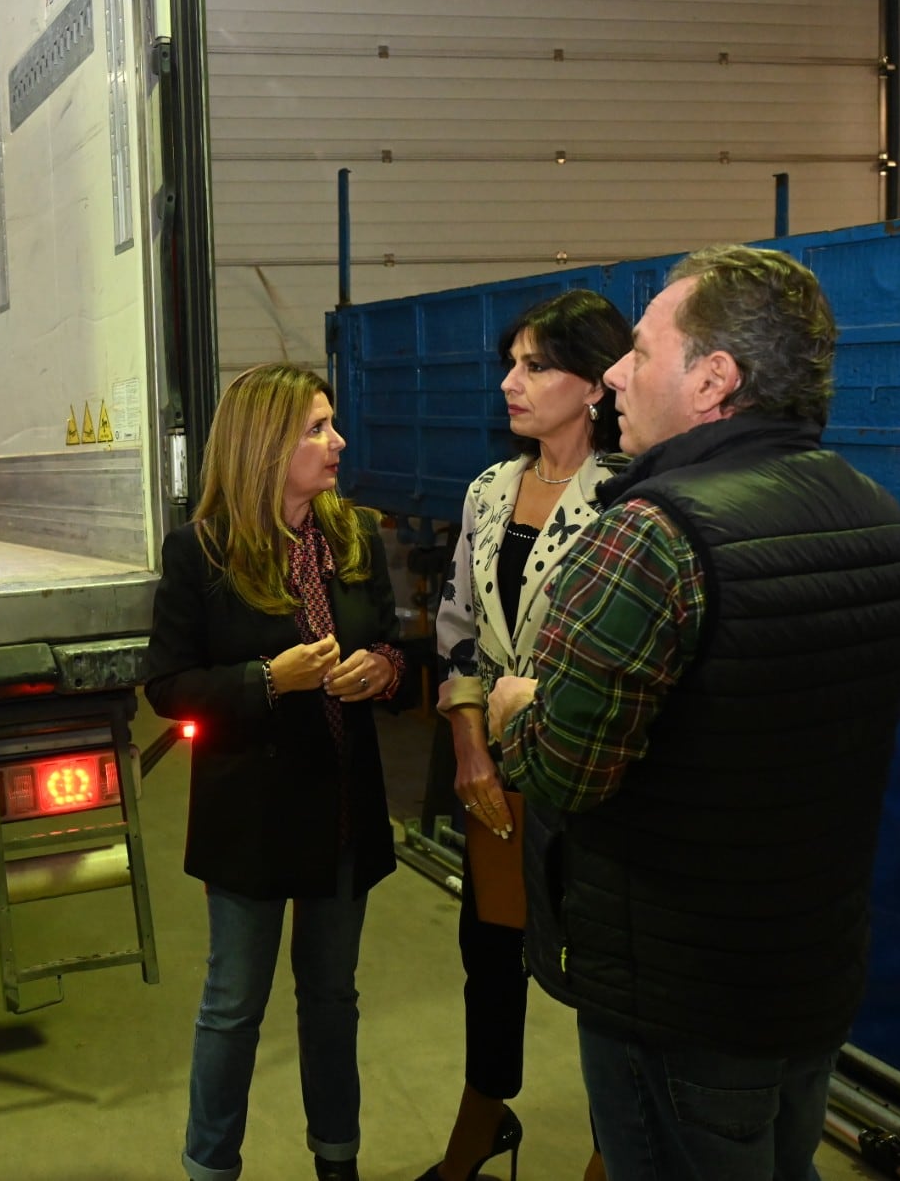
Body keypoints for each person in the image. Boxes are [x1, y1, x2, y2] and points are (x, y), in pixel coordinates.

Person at [487, 246, 900, 1181]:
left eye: (639, 352)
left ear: (714, 380)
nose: (612, 372)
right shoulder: (875, 515)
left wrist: (514, 706)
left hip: (677, 998)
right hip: (808, 976)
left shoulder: (652, 532)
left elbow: (563, 768)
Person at [146, 362, 411, 1181]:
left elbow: (395, 642)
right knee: (233, 1008)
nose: (336, 442)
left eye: (332, 424)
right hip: (253, 819)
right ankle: (210, 1167)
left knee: (333, 1001)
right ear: (265, 445)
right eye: (316, 428)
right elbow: (168, 685)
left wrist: (383, 670)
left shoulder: (353, 537)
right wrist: (269, 681)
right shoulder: (203, 551)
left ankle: (338, 1160)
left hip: (340, 813)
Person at [422, 290, 630, 1181]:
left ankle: (610, 1148)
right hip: (495, 774)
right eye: (510, 362)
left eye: (535, 365)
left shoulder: (632, 497)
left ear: (594, 385)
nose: (511, 381)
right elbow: (458, 629)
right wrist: (471, 746)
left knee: (607, 971)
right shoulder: (489, 490)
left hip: (593, 780)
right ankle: (482, 1118)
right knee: (490, 951)